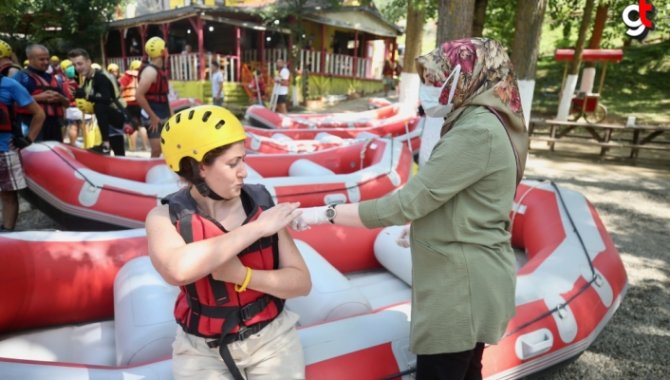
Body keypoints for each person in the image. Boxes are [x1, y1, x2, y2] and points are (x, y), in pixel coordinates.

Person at [293, 37, 529, 380]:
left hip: (461, 289)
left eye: (437, 80)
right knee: (466, 372)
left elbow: (406, 203)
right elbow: (466, 198)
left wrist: (324, 214)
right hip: (476, 278)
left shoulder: (476, 130)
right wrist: (424, 226)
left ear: (467, 77)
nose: (429, 89)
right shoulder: (488, 120)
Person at [145, 105, 310, 380]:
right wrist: (257, 229)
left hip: (271, 338)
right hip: (201, 349)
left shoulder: (259, 204)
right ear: (200, 168)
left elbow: (301, 283)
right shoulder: (163, 217)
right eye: (233, 163)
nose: (244, 172)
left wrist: (243, 275)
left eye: (243, 159)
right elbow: (176, 269)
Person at [0, 72, 45, 231]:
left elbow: (39, 113)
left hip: (4, 149)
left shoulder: (9, 84)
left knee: (8, 194)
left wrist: (28, 139)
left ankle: (7, 231)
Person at [68, 48, 126, 156]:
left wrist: (85, 96)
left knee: (99, 106)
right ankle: (106, 146)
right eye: (74, 65)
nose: (77, 68)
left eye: (80, 64)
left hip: (118, 115)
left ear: (89, 62)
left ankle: (105, 144)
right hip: (108, 118)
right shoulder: (88, 78)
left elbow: (106, 99)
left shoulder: (100, 77)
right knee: (119, 154)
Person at [12, 44, 69, 142]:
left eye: (47, 59)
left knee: (56, 153)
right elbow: (12, 102)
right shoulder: (21, 77)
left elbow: (67, 103)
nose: (46, 62)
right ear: (30, 59)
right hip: (30, 123)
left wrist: (60, 98)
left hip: (54, 125)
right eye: (41, 59)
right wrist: (39, 97)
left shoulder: (53, 78)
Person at [136, 36, 172, 158]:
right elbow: (139, 95)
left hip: (162, 113)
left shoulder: (159, 70)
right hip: (153, 115)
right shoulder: (150, 71)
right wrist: (153, 116)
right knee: (157, 149)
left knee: (167, 147)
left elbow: (165, 97)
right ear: (162, 51)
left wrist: (171, 115)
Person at [119, 60, 149, 151]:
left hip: (129, 103)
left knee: (131, 125)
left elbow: (120, 87)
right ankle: (145, 146)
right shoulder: (144, 76)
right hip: (141, 103)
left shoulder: (127, 77)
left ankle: (133, 147)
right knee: (141, 125)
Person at [60, 59, 84, 146]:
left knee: (73, 125)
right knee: (80, 125)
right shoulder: (77, 82)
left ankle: (73, 144)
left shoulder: (65, 83)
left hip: (70, 106)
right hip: (78, 105)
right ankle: (80, 143)